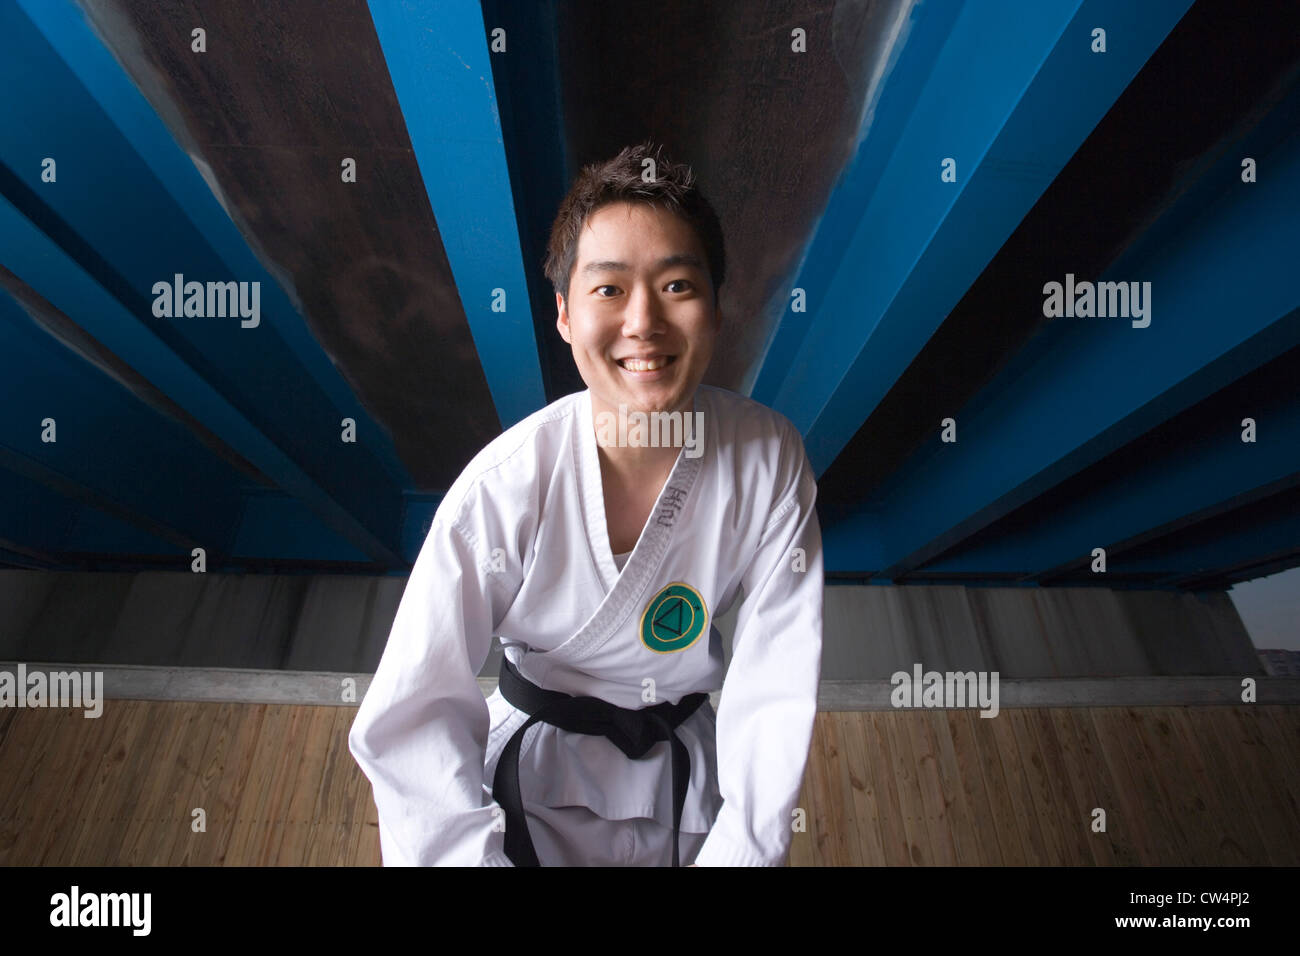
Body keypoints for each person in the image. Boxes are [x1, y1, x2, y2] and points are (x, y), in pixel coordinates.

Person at [348, 141, 824, 866]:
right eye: (609, 289)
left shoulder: (768, 459)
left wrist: (741, 853)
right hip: (533, 784)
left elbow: (774, 689)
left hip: (688, 782)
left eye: (676, 286)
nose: (643, 323)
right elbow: (415, 715)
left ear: (717, 311)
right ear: (566, 314)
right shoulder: (502, 489)